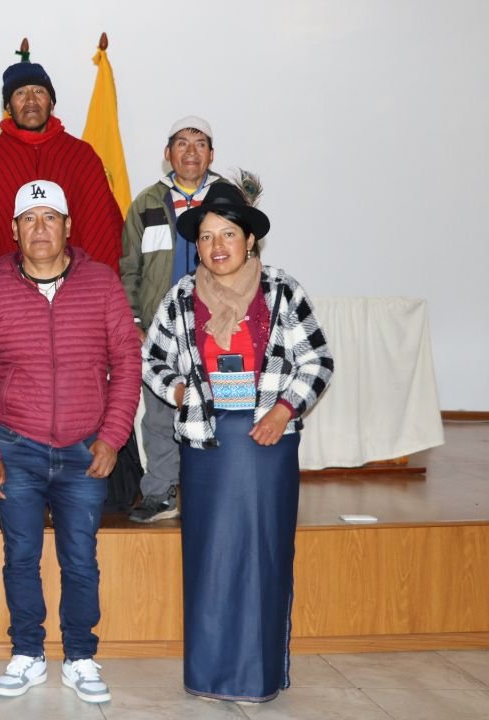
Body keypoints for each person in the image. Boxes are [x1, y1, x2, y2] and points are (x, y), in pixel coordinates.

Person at [142, 189, 333, 703]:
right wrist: (178, 391)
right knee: (209, 556)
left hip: (266, 442)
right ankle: (206, 675)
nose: (217, 245)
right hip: (205, 445)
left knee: (263, 555)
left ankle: (257, 676)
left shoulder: (281, 291)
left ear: (250, 240)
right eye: (206, 237)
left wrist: (284, 409)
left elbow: (318, 359)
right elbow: (152, 360)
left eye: (228, 234)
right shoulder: (182, 296)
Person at [0, 181, 139, 703]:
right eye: (29, 219)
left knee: (80, 558)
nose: (40, 229)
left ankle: (81, 655)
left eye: (50, 218)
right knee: (20, 556)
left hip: (85, 449)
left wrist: (112, 437)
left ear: (68, 227)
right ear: (15, 231)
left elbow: (127, 364)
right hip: (16, 446)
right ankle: (28, 653)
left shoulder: (103, 283)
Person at [0, 61, 122, 525]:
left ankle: (70, 488)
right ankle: (0, 486)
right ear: (8, 104)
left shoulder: (81, 157)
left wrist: (88, 290)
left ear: (51, 100)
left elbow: (102, 231)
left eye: (39, 92)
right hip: (5, 305)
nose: (31, 100)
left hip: (73, 303)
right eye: (21, 94)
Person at [120, 116, 229, 524]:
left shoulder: (227, 199)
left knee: (220, 411)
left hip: (217, 328)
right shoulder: (146, 203)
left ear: (211, 155)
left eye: (200, 144)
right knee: (160, 415)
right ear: (168, 154)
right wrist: (134, 320)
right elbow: (129, 267)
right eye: (182, 143)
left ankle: (218, 492)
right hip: (159, 332)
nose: (190, 151)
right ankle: (160, 493)